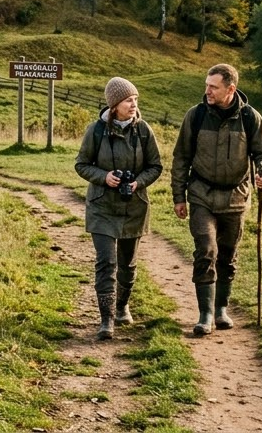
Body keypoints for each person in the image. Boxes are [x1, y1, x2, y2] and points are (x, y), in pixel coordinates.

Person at [171, 63, 262, 336]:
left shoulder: (250, 118)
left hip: (236, 198)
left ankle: (221, 310)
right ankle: (204, 315)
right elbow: (181, 158)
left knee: (227, 255)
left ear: (230, 89)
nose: (207, 91)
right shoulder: (195, 116)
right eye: (206, 85)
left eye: (213, 87)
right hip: (202, 195)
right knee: (206, 250)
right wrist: (178, 196)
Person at [75, 77, 163, 340]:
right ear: (114, 105)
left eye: (135, 99)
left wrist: (138, 182)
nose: (134, 104)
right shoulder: (96, 130)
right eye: (128, 100)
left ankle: (122, 307)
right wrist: (104, 177)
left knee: (128, 263)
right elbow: (81, 164)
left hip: (134, 206)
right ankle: (106, 321)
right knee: (106, 263)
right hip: (102, 207)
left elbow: (155, 166)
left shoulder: (144, 130)